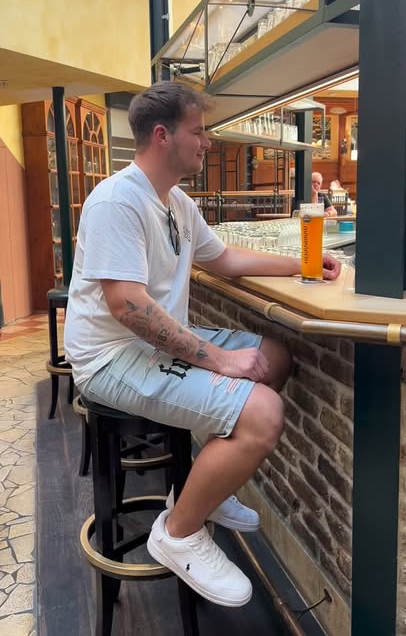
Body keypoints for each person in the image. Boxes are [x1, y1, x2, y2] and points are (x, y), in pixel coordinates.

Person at [64, 82, 341, 608]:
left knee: (274, 357)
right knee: (263, 412)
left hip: (150, 346)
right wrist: (218, 359)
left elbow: (226, 259)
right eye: (199, 131)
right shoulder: (116, 201)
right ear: (163, 136)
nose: (208, 142)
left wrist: (304, 263)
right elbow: (127, 307)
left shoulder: (177, 202)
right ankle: (179, 533)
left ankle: (197, 493)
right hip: (109, 358)